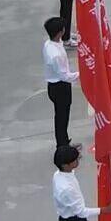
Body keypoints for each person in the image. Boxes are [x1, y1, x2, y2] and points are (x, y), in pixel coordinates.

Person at [42, 16, 75, 145]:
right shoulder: (56, 55)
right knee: (62, 119)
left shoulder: (49, 44)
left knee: (61, 117)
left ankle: (64, 142)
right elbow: (65, 76)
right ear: (60, 32)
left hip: (54, 86)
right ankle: (63, 146)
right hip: (60, 88)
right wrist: (83, 73)